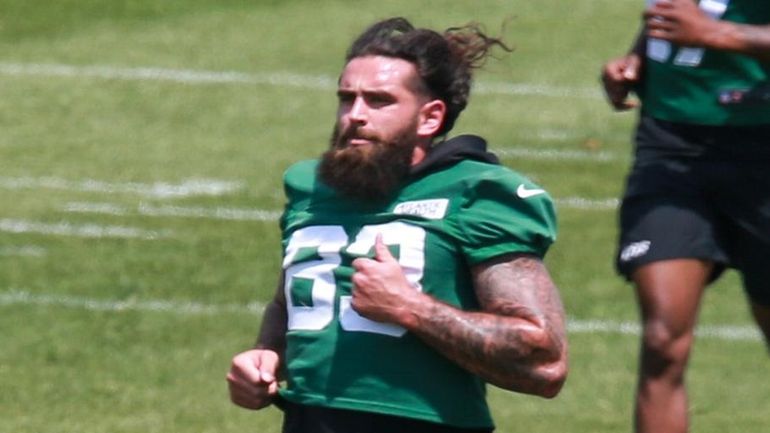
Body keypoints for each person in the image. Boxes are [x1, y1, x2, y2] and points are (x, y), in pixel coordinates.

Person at [227, 17, 568, 433]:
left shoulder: (477, 193)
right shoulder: (309, 186)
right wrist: (265, 355)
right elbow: (289, 302)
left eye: (378, 101)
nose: (355, 115)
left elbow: (544, 362)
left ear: (430, 118)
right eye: (346, 98)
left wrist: (411, 307)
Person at [601, 1, 770, 432]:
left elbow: (705, 22)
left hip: (761, 144)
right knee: (662, 341)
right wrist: (640, 56)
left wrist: (719, 35)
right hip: (669, 145)